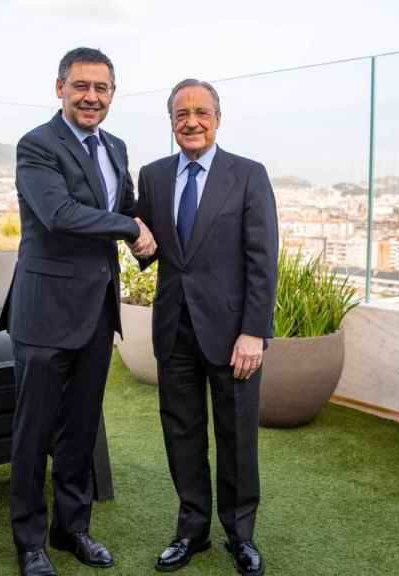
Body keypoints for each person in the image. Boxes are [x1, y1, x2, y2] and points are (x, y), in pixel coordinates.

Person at [0, 47, 156, 576]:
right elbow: (59, 214)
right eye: (81, 86)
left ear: (112, 93)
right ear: (59, 87)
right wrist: (131, 230)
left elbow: (123, 206)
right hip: (43, 314)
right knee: (33, 432)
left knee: (80, 430)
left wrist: (148, 237)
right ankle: (30, 542)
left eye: (102, 88)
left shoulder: (115, 147)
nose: (92, 97)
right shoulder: (37, 146)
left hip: (95, 313)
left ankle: (72, 530)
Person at [133, 78, 278, 576]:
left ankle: (241, 536)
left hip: (234, 335)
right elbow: (148, 242)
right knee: (182, 433)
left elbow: (262, 260)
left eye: (201, 112)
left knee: (237, 437)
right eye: (180, 114)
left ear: (218, 118)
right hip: (174, 330)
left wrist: (254, 332)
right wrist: (138, 244)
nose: (191, 122)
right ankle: (191, 531)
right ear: (171, 121)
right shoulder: (152, 176)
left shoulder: (249, 175)